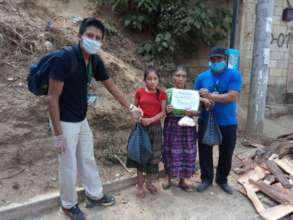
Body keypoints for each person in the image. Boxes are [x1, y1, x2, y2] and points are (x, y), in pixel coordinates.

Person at [48, 17, 141, 220]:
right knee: (68, 164)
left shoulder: (94, 60)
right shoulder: (65, 58)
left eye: (98, 38)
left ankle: (94, 195)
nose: (93, 40)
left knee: (87, 158)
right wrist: (58, 134)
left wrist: (131, 107)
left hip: (80, 119)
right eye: (90, 35)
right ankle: (69, 205)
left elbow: (111, 86)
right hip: (63, 121)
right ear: (80, 35)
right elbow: (52, 97)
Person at [194, 48, 242, 195]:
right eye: (213, 59)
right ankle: (206, 179)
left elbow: (231, 96)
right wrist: (203, 99)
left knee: (226, 152)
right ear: (210, 60)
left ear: (225, 59)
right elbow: (195, 96)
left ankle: (222, 180)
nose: (216, 62)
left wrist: (210, 96)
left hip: (228, 121)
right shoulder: (202, 77)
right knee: (205, 150)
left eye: (219, 59)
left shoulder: (234, 75)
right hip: (206, 119)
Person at [126, 67, 167, 198]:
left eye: (155, 79)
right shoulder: (139, 92)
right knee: (140, 156)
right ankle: (140, 186)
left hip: (155, 129)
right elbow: (135, 108)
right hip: (141, 128)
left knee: (153, 158)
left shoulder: (162, 94)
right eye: (149, 79)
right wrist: (135, 120)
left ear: (158, 80)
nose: (152, 81)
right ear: (144, 80)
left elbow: (163, 112)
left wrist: (150, 120)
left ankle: (149, 183)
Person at [162, 67, 198, 192]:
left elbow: (197, 112)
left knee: (186, 152)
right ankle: (168, 178)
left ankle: (183, 180)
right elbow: (161, 111)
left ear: (186, 78)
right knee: (170, 151)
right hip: (172, 125)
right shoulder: (167, 93)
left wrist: (192, 112)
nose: (180, 78)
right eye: (177, 75)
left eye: (183, 76)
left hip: (187, 127)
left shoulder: (192, 94)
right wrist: (166, 110)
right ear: (173, 77)